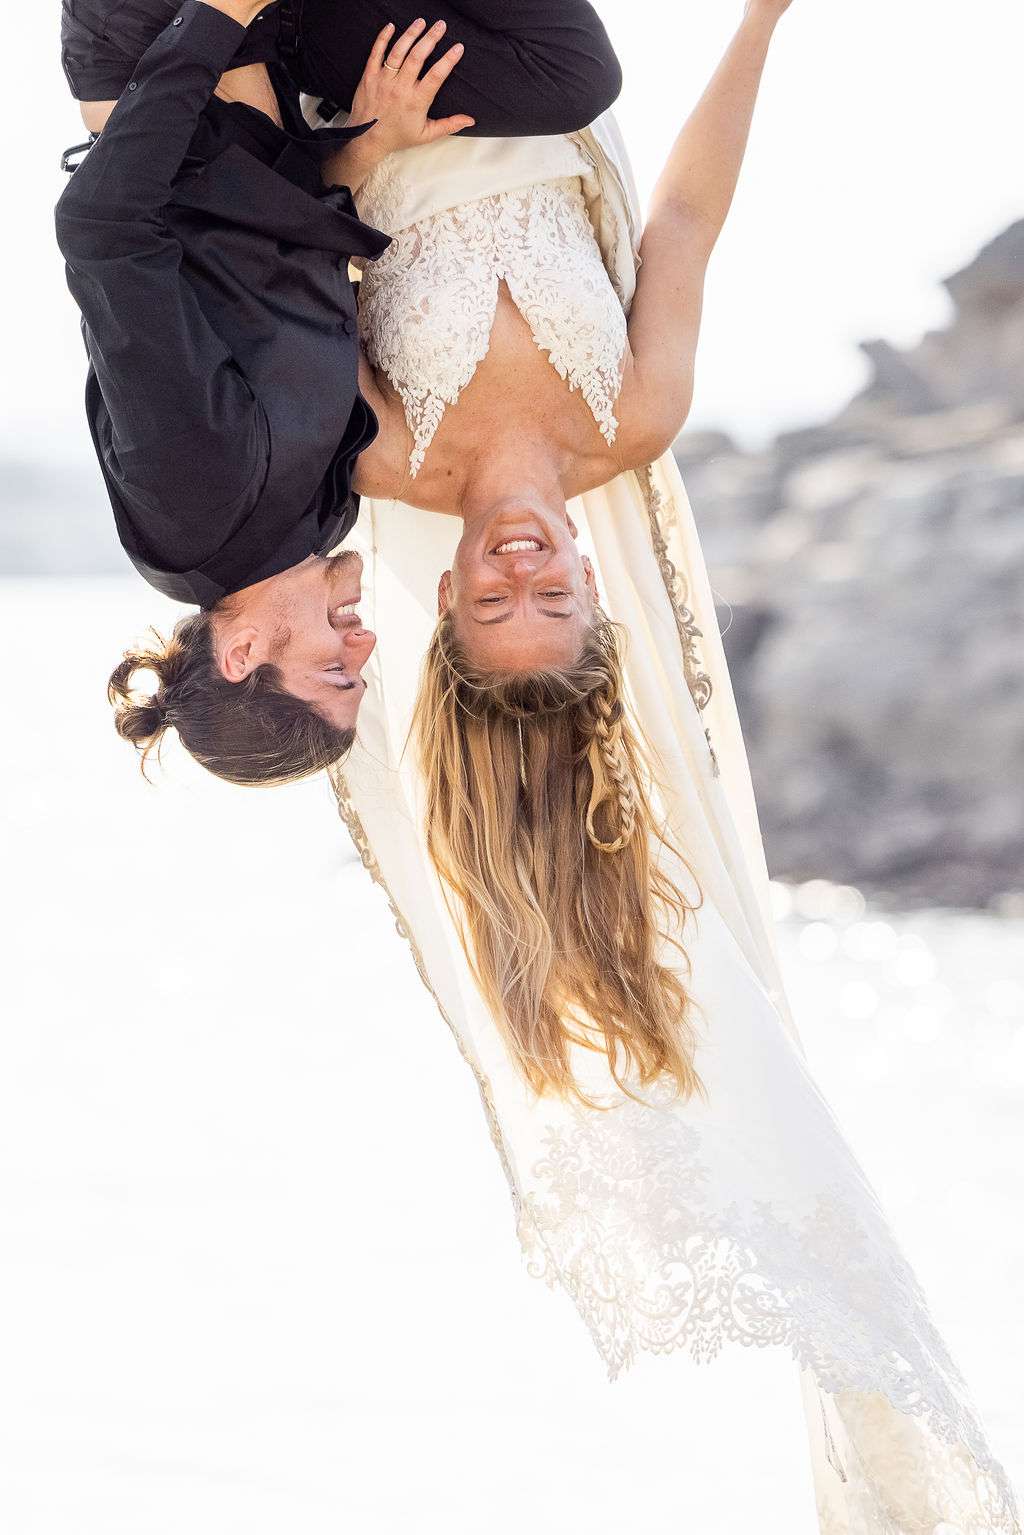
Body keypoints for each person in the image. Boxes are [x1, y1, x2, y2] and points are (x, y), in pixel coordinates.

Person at [324, 1, 1023, 1526]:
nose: (520, 567)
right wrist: (765, 16)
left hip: (380, 91)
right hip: (542, 78)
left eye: (493, 602)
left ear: (450, 605)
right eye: (551, 599)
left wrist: (362, 154)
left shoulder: (379, 455)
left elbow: (284, 275)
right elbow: (688, 217)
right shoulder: (636, 420)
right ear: (596, 589)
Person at [56, 0, 622, 784]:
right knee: (569, 80)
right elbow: (275, 265)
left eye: (336, 670)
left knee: (567, 73)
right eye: (363, 673)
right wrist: (369, 146)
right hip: (269, 68)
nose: (365, 644)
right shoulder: (320, 519)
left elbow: (103, 229)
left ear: (242, 653)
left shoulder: (192, 508)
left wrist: (223, 14)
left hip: (166, 38)